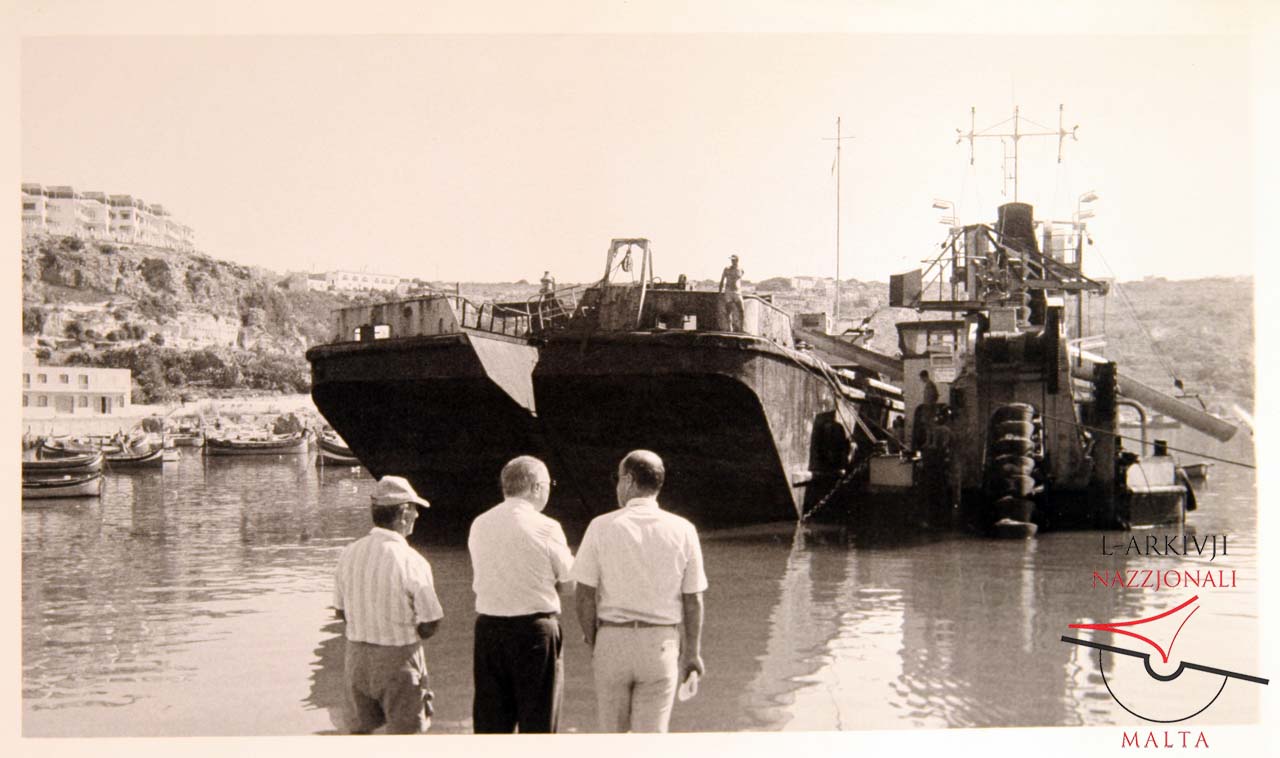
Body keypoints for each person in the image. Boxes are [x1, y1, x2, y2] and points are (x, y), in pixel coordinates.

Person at [571, 450, 707, 733]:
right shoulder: (684, 530)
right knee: (651, 742)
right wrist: (692, 653)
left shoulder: (600, 526)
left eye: (618, 478)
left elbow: (584, 595)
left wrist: (596, 641)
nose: (617, 486)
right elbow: (693, 599)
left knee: (613, 740)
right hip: (660, 643)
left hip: (613, 639)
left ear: (630, 481)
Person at [467, 456, 575, 733]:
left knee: (491, 727)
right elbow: (570, 582)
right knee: (538, 725)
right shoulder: (547, 527)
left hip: (489, 630)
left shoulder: (479, 523)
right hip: (534, 631)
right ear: (537, 486)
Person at [333, 475, 443, 734]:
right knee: (405, 739)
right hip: (398, 657)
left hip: (356, 658)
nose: (417, 515)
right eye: (415, 508)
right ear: (404, 513)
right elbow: (431, 621)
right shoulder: (410, 560)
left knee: (359, 735)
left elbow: (340, 611)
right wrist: (411, 632)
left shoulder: (349, 553)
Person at [717, 254, 745, 332]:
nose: (732, 261)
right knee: (728, 310)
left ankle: (741, 328)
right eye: (731, 260)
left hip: (737, 292)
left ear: (737, 260)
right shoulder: (727, 269)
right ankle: (729, 328)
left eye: (734, 260)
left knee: (741, 310)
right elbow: (722, 281)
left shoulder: (741, 269)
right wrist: (720, 292)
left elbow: (740, 278)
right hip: (728, 291)